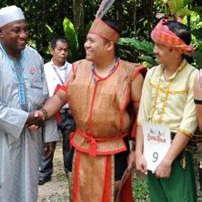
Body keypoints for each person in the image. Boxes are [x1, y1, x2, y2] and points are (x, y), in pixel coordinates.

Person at [41, 17, 145, 201]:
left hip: (114, 149)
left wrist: (137, 150)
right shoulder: (78, 68)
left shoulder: (131, 74)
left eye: (91, 41)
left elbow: (141, 117)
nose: (86, 45)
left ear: (109, 45)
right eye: (86, 40)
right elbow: (59, 97)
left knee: (113, 193)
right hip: (81, 147)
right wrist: (41, 114)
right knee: (80, 193)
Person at [0, 5, 58, 201]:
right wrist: (24, 118)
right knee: (1, 191)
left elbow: (45, 97)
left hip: (31, 140)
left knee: (28, 191)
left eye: (26, 29)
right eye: (16, 30)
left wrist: (49, 135)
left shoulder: (34, 57)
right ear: (1, 32)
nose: (23, 35)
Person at [135, 19, 198, 202]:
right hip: (152, 149)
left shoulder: (193, 77)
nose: (155, 50)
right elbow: (143, 116)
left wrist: (167, 161)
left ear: (176, 50)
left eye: (160, 46)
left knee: (181, 198)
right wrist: (139, 152)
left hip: (177, 155)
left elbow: (188, 125)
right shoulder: (152, 73)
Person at [39, 37, 73, 185]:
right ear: (51, 50)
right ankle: (45, 172)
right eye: (59, 49)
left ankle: (69, 170)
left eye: (65, 50)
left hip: (68, 112)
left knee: (69, 143)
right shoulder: (44, 68)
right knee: (48, 141)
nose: (63, 53)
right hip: (51, 113)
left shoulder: (73, 68)